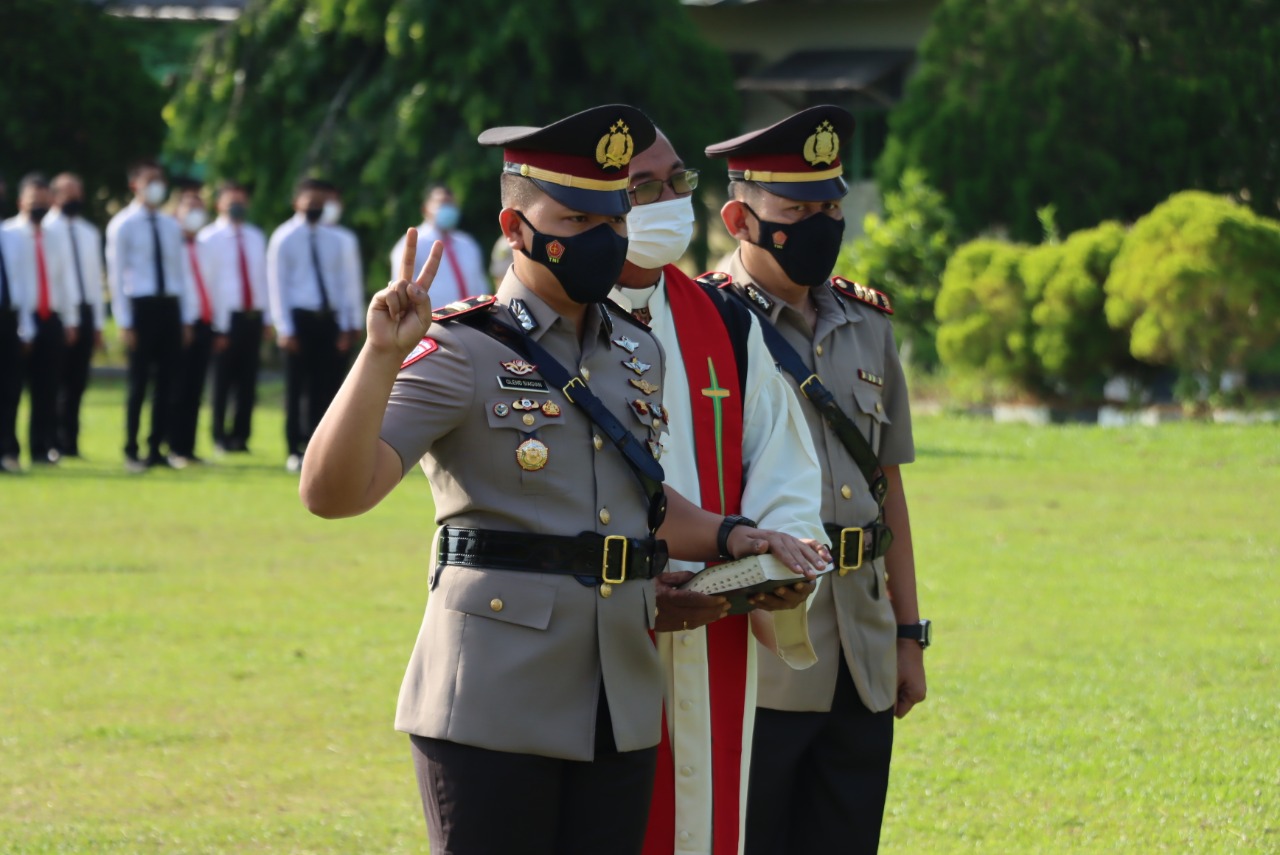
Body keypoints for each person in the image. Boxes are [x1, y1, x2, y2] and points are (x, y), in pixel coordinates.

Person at [297, 104, 830, 855]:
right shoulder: (461, 347)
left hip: (617, 697)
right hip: (496, 697)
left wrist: (733, 534)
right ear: (515, 229)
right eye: (576, 220)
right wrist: (379, 355)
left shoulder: (636, 351)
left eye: (612, 218)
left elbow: (641, 500)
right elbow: (331, 493)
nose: (602, 238)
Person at [704, 106, 930, 855]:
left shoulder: (868, 322)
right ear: (740, 218)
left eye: (829, 208)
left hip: (862, 644)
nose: (820, 225)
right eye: (796, 211)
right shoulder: (704, 324)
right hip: (759, 644)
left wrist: (908, 634)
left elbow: (888, 490)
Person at [609, 131, 826, 855]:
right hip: (599, 635)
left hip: (716, 630)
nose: (671, 201)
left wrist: (782, 565)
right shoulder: (556, 325)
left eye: (679, 181)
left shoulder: (727, 321)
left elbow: (782, 461)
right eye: (645, 189)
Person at [106, 160, 198, 472]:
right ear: (135, 185)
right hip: (141, 306)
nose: (157, 186)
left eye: (160, 180)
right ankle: (131, 449)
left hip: (169, 306)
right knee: (139, 383)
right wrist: (124, 321)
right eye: (150, 180)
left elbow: (181, 272)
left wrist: (186, 317)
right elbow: (116, 275)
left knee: (167, 383)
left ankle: (156, 447)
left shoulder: (171, 225)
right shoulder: (123, 224)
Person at [266, 178, 353, 473]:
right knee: (297, 387)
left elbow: (342, 284)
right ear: (297, 203)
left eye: (321, 203)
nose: (316, 207)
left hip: (327, 318)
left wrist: (346, 324)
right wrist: (284, 328)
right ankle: (295, 447)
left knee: (326, 387)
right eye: (311, 202)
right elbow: (277, 285)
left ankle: (322, 447)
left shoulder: (334, 239)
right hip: (299, 319)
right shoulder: (284, 237)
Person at [3, 173, 78, 465]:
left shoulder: (54, 236)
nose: (40, 207)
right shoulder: (9, 234)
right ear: (21, 201)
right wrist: (24, 325)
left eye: (45, 201)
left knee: (47, 388)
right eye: (35, 200)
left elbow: (63, 280)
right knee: (11, 387)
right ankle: (9, 447)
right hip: (21, 318)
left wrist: (69, 319)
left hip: (51, 317)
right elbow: (16, 283)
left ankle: (41, 447)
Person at [200, 181, 271, 454]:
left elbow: (262, 279)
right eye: (231, 201)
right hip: (224, 318)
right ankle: (220, 436)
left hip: (252, 315)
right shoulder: (209, 238)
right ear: (219, 204)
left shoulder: (255, 236)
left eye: (241, 201)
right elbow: (209, 283)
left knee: (248, 380)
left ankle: (241, 436)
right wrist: (216, 325)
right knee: (222, 380)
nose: (237, 206)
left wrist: (267, 318)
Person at [44, 173, 106, 459]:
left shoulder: (89, 232)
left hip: (86, 309)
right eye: (68, 194)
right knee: (54, 379)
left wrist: (98, 323)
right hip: (58, 311)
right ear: (54, 196)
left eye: (77, 194)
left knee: (78, 383)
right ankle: (51, 440)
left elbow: (95, 280)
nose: (74, 199)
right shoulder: (46, 230)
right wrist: (67, 318)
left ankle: (71, 442)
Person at [167, 181, 218, 467]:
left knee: (195, 389)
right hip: (180, 324)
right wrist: (184, 322)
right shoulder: (171, 244)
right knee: (178, 387)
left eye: (200, 208)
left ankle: (187, 447)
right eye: (191, 207)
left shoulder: (205, 245)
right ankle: (173, 446)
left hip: (204, 322)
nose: (197, 213)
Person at [390, 184, 490, 305]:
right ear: (425, 209)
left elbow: (480, 284)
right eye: (442, 203)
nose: (448, 208)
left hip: (474, 315)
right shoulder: (412, 244)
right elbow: (401, 287)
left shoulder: (468, 244)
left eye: (451, 203)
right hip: (432, 316)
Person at [0, 218, 35, 473]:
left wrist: (26, 328)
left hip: (10, 320)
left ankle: (8, 450)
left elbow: (23, 283)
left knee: (11, 388)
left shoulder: (13, 237)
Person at [320, 183, 364, 361]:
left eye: (335, 201)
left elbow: (351, 283)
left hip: (339, 320)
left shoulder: (346, 238)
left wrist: (354, 322)